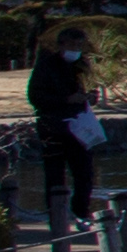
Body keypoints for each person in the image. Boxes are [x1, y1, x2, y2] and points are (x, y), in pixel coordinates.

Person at [24, 24, 104, 220]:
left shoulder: (82, 65)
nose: (76, 48)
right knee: (55, 173)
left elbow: (89, 89)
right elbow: (35, 97)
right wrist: (66, 100)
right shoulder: (46, 65)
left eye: (79, 45)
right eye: (72, 44)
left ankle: (81, 213)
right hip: (53, 125)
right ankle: (56, 214)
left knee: (84, 173)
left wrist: (90, 98)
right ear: (61, 44)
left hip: (80, 125)